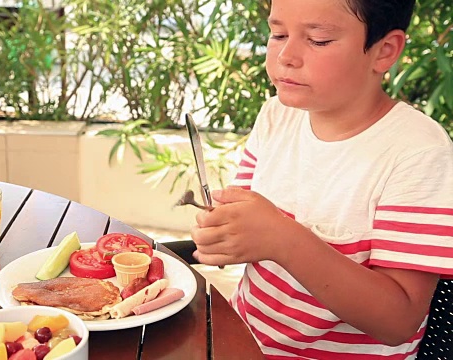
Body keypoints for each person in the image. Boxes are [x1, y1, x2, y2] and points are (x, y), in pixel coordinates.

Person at [188, 0, 453, 358]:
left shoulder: (418, 153)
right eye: (278, 34)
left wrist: (283, 240)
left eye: (318, 40)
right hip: (245, 340)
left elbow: (399, 321)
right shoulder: (276, 116)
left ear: (384, 51)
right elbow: (245, 226)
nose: (286, 56)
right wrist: (224, 232)